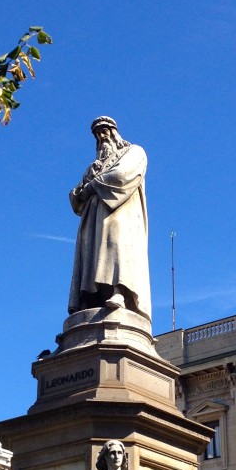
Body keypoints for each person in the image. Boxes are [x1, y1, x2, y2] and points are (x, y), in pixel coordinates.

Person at [68, 116, 151, 320]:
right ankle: (89, 297)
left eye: (105, 131)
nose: (102, 137)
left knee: (117, 248)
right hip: (92, 218)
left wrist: (92, 186)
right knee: (91, 255)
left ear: (114, 132)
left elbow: (123, 175)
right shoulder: (94, 166)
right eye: (98, 134)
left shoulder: (134, 152)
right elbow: (75, 196)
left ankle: (119, 293)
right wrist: (82, 189)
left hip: (121, 212)